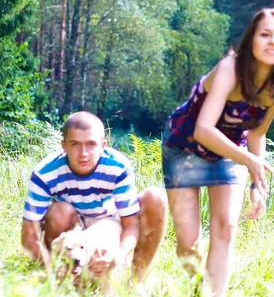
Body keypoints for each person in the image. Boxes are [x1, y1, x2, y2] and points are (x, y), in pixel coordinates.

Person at [162, 7, 274, 297]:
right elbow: (203, 129)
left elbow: (256, 135)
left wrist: (258, 183)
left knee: (226, 228)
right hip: (184, 147)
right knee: (187, 245)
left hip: (229, 151)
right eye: (264, 34)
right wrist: (250, 161)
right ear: (251, 39)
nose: (272, 42)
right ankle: (196, 289)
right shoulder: (230, 68)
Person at [21, 111, 167, 282]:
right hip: (71, 230)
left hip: (109, 227)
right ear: (64, 146)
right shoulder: (45, 173)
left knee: (156, 198)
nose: (83, 153)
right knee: (60, 211)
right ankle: (66, 276)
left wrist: (117, 256)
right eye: (75, 144)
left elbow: (131, 225)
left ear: (103, 146)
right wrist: (52, 267)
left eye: (91, 144)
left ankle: (136, 282)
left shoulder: (118, 166)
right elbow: (28, 236)